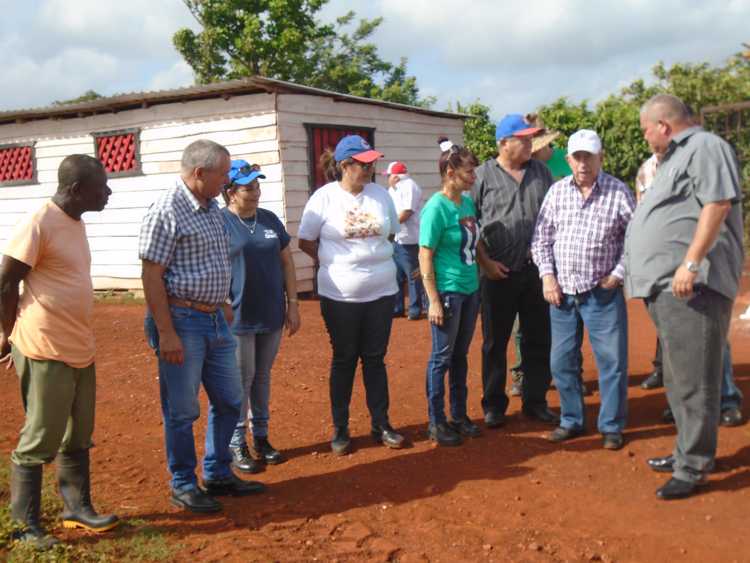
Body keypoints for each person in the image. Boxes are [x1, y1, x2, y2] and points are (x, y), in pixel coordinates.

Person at [625, 94, 744, 500]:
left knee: (695, 380)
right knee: (678, 378)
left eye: (645, 130)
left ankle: (693, 465)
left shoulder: (705, 146)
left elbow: (718, 203)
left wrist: (690, 263)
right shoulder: (675, 158)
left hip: (693, 284)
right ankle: (685, 453)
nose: (645, 139)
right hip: (668, 287)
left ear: (662, 125)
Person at [139, 140, 266, 514]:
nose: (228, 180)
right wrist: (165, 332)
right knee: (181, 410)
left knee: (229, 399)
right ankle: (182, 483)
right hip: (181, 321)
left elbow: (214, 260)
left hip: (214, 320)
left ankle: (218, 473)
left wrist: (222, 302)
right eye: (223, 173)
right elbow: (151, 276)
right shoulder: (166, 210)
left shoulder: (211, 208)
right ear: (199, 173)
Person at [0, 155, 118, 549]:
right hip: (44, 345)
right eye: (101, 186)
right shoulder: (39, 222)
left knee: (79, 432)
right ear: (76, 190)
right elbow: (5, 282)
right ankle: (23, 526)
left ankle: (76, 510)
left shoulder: (75, 222)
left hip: (79, 345)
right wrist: (8, 333)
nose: (108, 192)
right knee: (41, 435)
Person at [298, 134, 405, 455]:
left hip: (382, 293)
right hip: (340, 296)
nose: (372, 168)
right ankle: (341, 429)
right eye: (365, 163)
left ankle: (381, 423)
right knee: (344, 359)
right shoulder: (324, 198)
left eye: (373, 162)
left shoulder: (380, 196)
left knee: (375, 359)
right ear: (345, 165)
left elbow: (390, 233)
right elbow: (306, 240)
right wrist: (333, 262)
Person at [532, 130, 635, 450]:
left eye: (589, 156)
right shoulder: (556, 192)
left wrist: (617, 275)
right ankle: (572, 420)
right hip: (561, 294)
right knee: (561, 361)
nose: (583, 163)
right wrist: (548, 277)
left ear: (600, 157)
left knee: (612, 361)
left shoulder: (618, 192)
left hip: (601, 292)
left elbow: (635, 240)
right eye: (577, 157)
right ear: (568, 160)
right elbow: (541, 239)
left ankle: (611, 425)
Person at [636, 153, 744, 426]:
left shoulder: (699, 162)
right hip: (664, 267)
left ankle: (727, 399)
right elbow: (643, 213)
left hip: (700, 263)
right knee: (673, 339)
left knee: (713, 334)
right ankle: (682, 405)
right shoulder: (645, 171)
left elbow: (716, 210)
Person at [472, 114, 557, 428]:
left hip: (537, 270)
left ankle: (535, 401)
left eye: (529, 138)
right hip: (497, 272)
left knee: (538, 338)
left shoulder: (541, 172)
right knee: (495, 341)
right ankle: (494, 405)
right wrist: (486, 264)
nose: (528, 144)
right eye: (522, 138)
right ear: (503, 143)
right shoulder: (482, 176)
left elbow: (553, 217)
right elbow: (470, 223)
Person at [221, 161, 301, 474]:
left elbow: (287, 263)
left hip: (271, 311)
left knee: (262, 376)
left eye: (257, 186)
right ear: (230, 192)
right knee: (242, 378)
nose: (255, 192)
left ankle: (262, 437)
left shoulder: (269, 219)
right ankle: (236, 441)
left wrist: (292, 303)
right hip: (238, 315)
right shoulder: (220, 222)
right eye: (247, 187)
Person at [419, 138, 482, 447]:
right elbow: (425, 254)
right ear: (450, 172)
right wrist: (432, 299)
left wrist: (488, 265)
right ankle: (436, 421)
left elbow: (475, 242)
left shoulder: (466, 203)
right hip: (448, 291)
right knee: (441, 358)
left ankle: (459, 416)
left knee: (460, 356)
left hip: (470, 289)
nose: (473, 177)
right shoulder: (436, 208)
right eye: (468, 171)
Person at [384, 161, 425, 320]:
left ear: (396, 176)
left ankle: (415, 309)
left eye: (389, 175)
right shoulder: (393, 189)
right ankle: (397, 307)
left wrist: (389, 227)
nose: (388, 178)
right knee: (396, 275)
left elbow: (407, 212)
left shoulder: (409, 186)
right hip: (398, 238)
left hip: (411, 239)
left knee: (413, 276)